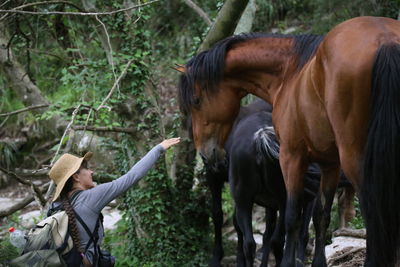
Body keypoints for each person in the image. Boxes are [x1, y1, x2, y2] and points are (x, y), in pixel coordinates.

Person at [48, 137, 181, 267]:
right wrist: (159, 148)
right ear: (76, 177)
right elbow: (131, 177)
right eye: (86, 169)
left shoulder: (55, 206)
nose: (91, 171)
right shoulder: (91, 197)